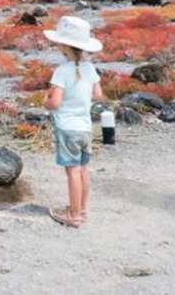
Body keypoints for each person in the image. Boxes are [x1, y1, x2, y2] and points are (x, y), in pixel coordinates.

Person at [43, 15, 104, 228]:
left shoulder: (61, 71)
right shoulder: (89, 68)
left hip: (67, 128)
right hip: (85, 127)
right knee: (83, 169)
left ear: (63, 46)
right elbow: (98, 94)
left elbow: (55, 102)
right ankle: (83, 209)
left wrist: (46, 101)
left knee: (72, 171)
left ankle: (74, 215)